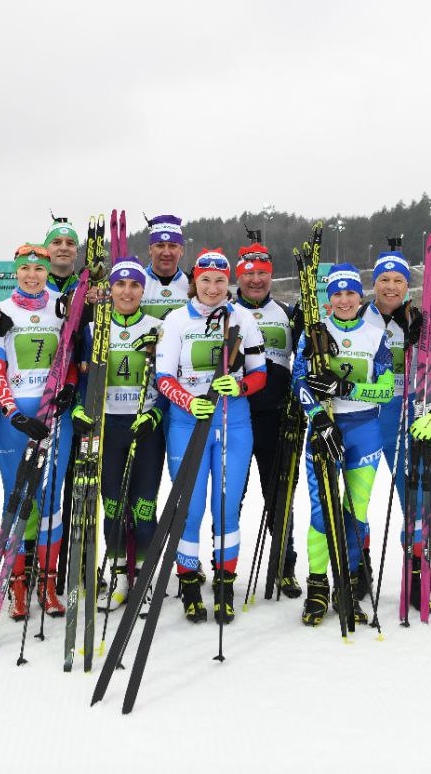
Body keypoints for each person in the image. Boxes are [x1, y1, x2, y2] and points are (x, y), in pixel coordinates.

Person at [155, 249, 266, 625]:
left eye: (220, 281)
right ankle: (188, 580)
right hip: (188, 423)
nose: (214, 288)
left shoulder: (242, 317)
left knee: (226, 505)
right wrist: (188, 400)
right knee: (189, 508)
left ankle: (224, 582)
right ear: (194, 282)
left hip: (233, 422)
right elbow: (163, 377)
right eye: (206, 280)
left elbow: (260, 373)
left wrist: (240, 388)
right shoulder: (175, 320)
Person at [293, 264, 406, 626]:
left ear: (361, 297)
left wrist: (347, 389)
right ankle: (317, 585)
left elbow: (386, 390)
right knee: (320, 514)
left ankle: (349, 582)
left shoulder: (375, 336)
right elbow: (298, 382)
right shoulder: (314, 333)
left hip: (365, 431)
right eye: (337, 294)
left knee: (355, 512)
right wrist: (319, 417)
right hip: (324, 429)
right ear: (329, 298)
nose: (344, 300)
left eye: (350, 293)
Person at [0, 243, 78, 620]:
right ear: (16, 272)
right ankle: (18, 586)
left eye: (38, 269)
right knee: (17, 499)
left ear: (46, 272)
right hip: (17, 422)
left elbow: (72, 358)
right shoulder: (1, 312)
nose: (32, 275)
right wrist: (11, 411)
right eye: (25, 269)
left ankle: (49, 584)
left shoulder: (62, 308)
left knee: (51, 503)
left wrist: (68, 390)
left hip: (55, 416)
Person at [72, 256, 164, 611]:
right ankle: (119, 577)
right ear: (110, 289)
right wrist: (81, 408)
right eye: (120, 284)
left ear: (143, 289)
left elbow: (168, 380)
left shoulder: (158, 327)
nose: (127, 291)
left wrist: (156, 414)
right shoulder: (95, 330)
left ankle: (143, 579)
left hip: (144, 429)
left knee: (143, 506)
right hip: (108, 426)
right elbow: (81, 378)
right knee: (112, 506)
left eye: (135, 285)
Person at [233, 238, 304, 598]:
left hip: (278, 418)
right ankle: (224, 565)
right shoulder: (226, 312)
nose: (256, 280)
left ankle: (284, 566)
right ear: (238, 276)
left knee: (280, 496)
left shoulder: (289, 314)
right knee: (232, 497)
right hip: (236, 417)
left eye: (262, 273)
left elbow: (307, 360)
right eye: (249, 273)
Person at [359, 250, 427, 592]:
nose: (390, 286)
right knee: (358, 499)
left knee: (414, 498)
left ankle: (415, 571)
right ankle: (360, 569)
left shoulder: (419, 318)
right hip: (366, 420)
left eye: (398, 280)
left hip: (405, 417)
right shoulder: (357, 316)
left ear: (406, 284)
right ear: (374, 284)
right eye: (384, 280)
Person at [140, 215, 188, 321]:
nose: (166, 253)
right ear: (150, 250)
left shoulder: (192, 284)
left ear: (181, 251)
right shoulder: (136, 281)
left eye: (172, 246)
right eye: (160, 246)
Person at [44, 217, 81, 293]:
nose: (64, 248)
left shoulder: (88, 289)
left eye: (70, 243)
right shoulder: (33, 288)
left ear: (77, 251)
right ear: (46, 249)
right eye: (56, 242)